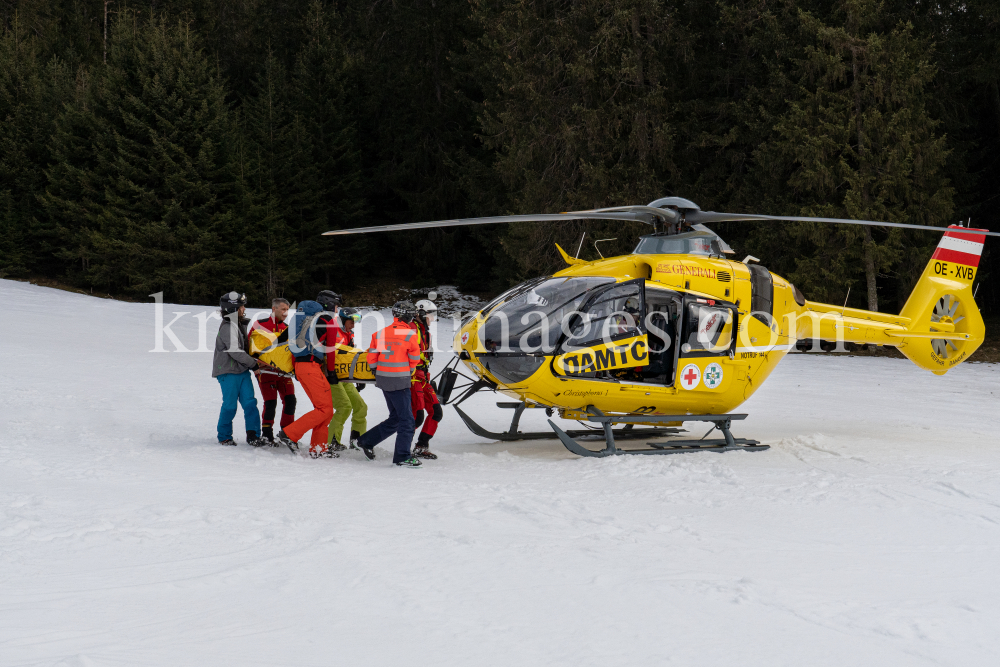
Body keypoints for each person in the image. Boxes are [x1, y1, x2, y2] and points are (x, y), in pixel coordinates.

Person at [355, 301, 423, 467]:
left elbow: (371, 358)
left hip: (383, 380)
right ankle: (402, 457)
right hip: (400, 380)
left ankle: (367, 441)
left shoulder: (380, 333)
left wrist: (377, 370)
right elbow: (415, 359)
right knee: (407, 421)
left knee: (396, 418)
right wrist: (409, 370)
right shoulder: (410, 335)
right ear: (408, 317)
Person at [275, 299, 339, 458]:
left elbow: (286, 342)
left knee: (323, 409)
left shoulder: (299, 318)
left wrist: (296, 368)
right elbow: (330, 350)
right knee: (325, 409)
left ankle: (319, 448)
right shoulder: (328, 320)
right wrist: (331, 372)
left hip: (301, 367)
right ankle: (289, 434)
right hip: (311, 366)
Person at [212, 291, 264, 446]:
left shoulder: (238, 325)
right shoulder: (228, 327)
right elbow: (235, 351)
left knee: (250, 403)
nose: (244, 309)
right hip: (228, 372)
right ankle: (224, 436)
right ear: (233, 308)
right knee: (230, 405)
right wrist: (253, 364)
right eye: (241, 306)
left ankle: (254, 435)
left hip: (241, 371)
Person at [248, 297, 296, 445]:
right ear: (274, 309)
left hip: (283, 374)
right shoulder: (260, 325)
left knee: (290, 401)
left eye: (287, 310)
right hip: (266, 372)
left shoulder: (287, 328)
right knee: (270, 403)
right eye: (283, 309)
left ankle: (286, 433)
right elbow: (251, 348)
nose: (286, 313)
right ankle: (267, 434)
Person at [325, 307, 369, 452]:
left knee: (360, 406)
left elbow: (350, 357)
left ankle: (357, 441)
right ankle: (331, 442)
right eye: (351, 321)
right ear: (343, 320)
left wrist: (357, 376)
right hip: (331, 376)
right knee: (344, 407)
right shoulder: (333, 330)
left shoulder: (348, 334)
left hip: (343, 376)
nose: (353, 325)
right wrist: (330, 373)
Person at [410, 299, 442, 459]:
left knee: (436, 412)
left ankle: (421, 446)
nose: (433, 319)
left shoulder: (425, 331)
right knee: (416, 416)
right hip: (413, 377)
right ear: (421, 313)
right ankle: (402, 448)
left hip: (423, 377)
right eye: (431, 314)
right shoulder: (411, 329)